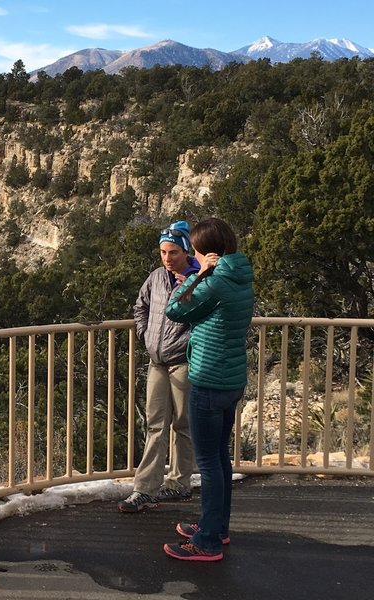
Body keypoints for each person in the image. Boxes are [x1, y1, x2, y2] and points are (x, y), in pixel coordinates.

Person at [162, 217, 254, 561]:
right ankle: (216, 527)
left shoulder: (214, 282)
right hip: (231, 380)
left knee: (209, 463)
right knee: (219, 457)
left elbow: (175, 310)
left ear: (209, 253)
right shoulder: (240, 276)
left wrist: (198, 276)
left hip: (209, 380)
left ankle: (207, 542)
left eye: (197, 253)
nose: (195, 258)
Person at [118, 220, 200, 513]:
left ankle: (179, 484)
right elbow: (140, 306)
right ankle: (145, 489)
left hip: (184, 361)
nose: (167, 258)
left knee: (183, 425)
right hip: (157, 361)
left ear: (186, 251)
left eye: (174, 252)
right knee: (155, 425)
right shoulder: (156, 277)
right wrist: (144, 333)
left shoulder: (198, 278)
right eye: (163, 252)